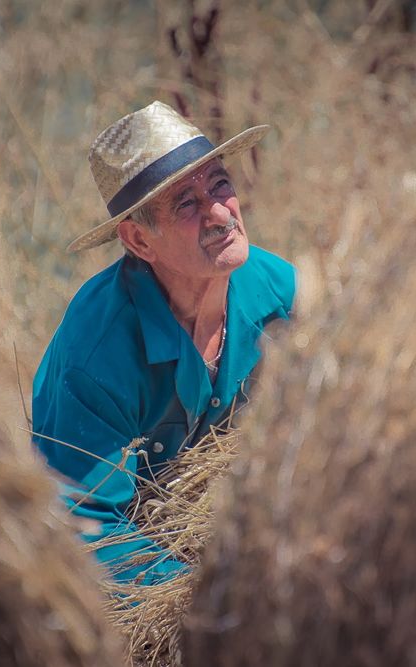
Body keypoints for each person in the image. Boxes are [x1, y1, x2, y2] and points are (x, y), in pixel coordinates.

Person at [32, 100, 295, 585]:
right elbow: (85, 526)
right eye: (186, 204)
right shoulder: (97, 353)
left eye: (220, 183)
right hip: (147, 571)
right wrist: (198, 605)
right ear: (138, 241)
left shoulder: (279, 293)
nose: (220, 214)